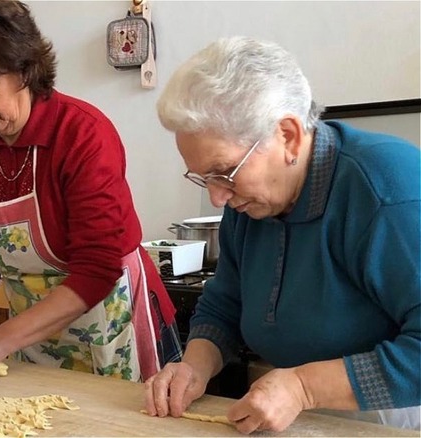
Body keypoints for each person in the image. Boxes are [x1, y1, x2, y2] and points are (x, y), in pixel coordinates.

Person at [144, 36, 420, 432]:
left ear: (287, 135)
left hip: (392, 416)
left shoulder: (386, 189)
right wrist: (193, 367)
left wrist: (303, 388)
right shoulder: (252, 200)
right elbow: (224, 307)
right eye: (203, 177)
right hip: (290, 407)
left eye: (224, 172)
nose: (217, 197)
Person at [0, 0, 181, 383]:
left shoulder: (82, 135)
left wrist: (3, 336)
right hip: (32, 342)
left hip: (113, 327)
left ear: (24, 69)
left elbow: (96, 270)